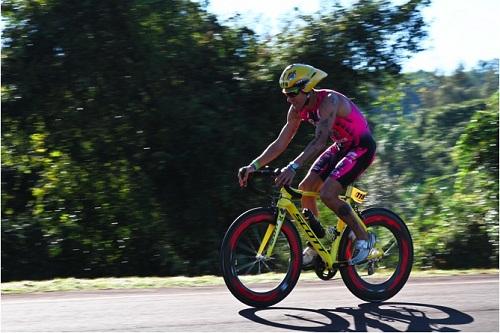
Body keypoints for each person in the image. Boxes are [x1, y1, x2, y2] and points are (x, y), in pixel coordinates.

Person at [238, 63, 377, 267]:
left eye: (292, 93)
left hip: (361, 146)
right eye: (286, 93)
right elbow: (280, 142)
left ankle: (364, 237)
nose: (288, 98)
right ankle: (318, 241)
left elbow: (320, 142)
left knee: (328, 193)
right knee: (305, 189)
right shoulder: (295, 110)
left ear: (306, 88)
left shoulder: (328, 102)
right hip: (342, 145)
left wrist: (293, 166)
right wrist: (254, 165)